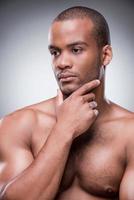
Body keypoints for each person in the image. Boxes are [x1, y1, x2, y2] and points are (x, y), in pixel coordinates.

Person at [0, 6, 134, 200]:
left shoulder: (130, 133)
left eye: (76, 50)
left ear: (105, 55)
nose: (62, 63)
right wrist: (64, 130)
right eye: (55, 52)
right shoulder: (18, 124)